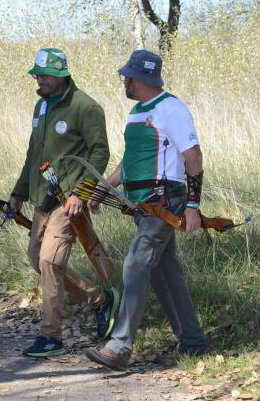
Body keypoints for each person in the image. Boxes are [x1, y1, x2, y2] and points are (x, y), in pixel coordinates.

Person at [84, 49, 208, 371]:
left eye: (128, 76)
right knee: (166, 275)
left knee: (136, 263)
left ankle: (120, 346)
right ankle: (193, 342)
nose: (124, 80)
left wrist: (193, 206)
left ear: (141, 79)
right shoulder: (137, 113)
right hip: (142, 206)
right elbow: (131, 160)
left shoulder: (172, 109)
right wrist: (102, 188)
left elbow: (193, 157)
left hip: (166, 204)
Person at [7, 47, 119, 357]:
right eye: (37, 74)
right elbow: (33, 155)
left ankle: (51, 337)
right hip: (41, 198)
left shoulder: (86, 107)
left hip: (68, 200)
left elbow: (100, 153)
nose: (38, 79)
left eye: (44, 75)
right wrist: (18, 193)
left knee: (50, 261)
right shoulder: (40, 107)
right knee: (37, 260)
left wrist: (80, 193)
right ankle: (101, 300)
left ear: (61, 75)